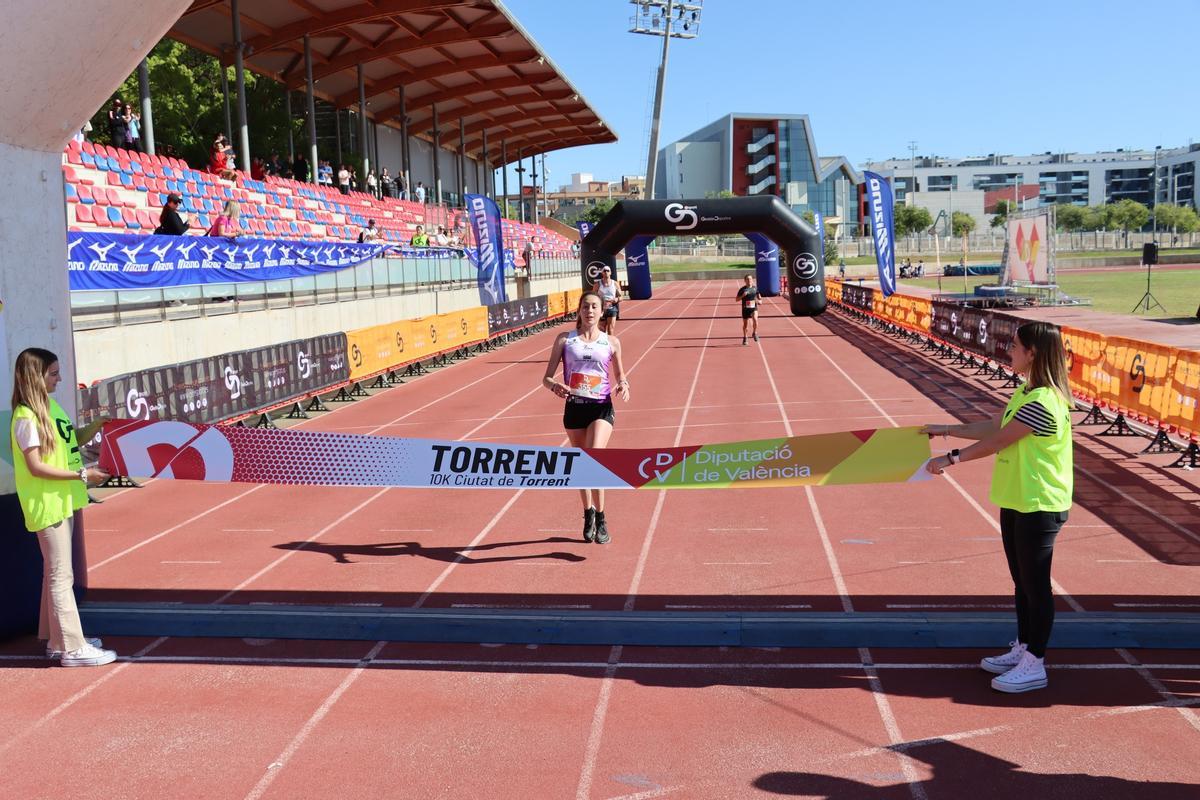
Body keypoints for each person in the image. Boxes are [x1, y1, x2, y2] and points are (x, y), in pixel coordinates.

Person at [921, 321, 1073, 694]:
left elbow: (1000, 441)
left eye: (1015, 346)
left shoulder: (1043, 401)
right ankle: (1024, 647)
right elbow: (996, 424)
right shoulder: (1027, 392)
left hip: (1039, 504)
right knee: (1022, 583)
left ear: (1033, 353)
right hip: (1018, 499)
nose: (1009, 351)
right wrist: (946, 428)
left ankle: (1035, 662)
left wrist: (950, 459)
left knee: (1036, 587)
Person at [10, 348, 116, 667]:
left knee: (54, 574)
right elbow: (36, 467)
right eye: (53, 373)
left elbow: (71, 441)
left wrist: (97, 425)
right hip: (46, 503)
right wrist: (83, 474)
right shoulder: (26, 417)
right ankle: (71, 647)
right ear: (35, 377)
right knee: (60, 576)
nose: (60, 379)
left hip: (61, 499)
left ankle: (56, 640)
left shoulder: (50, 408)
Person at [541, 292, 630, 544]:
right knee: (582, 466)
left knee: (595, 458)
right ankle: (588, 512)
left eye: (594, 307)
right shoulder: (565, 340)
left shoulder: (611, 342)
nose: (589, 311)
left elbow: (621, 374)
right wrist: (555, 386)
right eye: (585, 306)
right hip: (575, 408)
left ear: (602, 311)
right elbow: (546, 378)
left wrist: (624, 384)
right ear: (579, 311)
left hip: (601, 407)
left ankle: (601, 517)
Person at [735, 274, 761, 345]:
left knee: (755, 319)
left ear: (752, 280)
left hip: (753, 308)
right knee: (745, 325)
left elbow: (759, 296)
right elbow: (736, 299)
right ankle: (745, 337)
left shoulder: (755, 288)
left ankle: (755, 333)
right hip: (745, 309)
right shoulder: (742, 289)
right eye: (747, 279)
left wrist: (759, 301)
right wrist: (743, 296)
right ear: (745, 281)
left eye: (750, 279)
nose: (749, 280)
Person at [595, 265, 621, 334]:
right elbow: (593, 296)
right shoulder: (597, 284)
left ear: (610, 273)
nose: (606, 272)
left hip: (612, 308)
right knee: (602, 330)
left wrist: (617, 299)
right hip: (601, 309)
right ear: (602, 273)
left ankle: (610, 344)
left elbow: (621, 297)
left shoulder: (615, 284)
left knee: (611, 329)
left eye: (607, 270)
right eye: (604, 270)